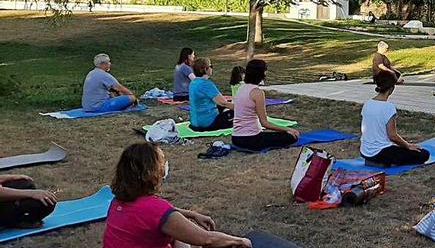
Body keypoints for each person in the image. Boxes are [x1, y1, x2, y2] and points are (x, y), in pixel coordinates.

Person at [103, 142, 251, 248]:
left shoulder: (118, 201)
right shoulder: (156, 208)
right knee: (192, 237)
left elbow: (159, 216)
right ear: (152, 172)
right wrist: (240, 241)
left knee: (180, 234)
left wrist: (191, 214)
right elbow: (207, 240)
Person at [360, 71, 429, 166]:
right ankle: (380, 162)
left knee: (398, 150)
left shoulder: (367, 104)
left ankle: (374, 160)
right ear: (391, 88)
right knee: (424, 154)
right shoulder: (388, 107)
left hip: (364, 152)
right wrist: (407, 145)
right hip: (380, 153)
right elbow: (392, 136)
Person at [232, 59, 300, 152]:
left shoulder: (241, 88)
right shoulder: (257, 92)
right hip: (251, 139)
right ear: (261, 74)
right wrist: (288, 129)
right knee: (292, 136)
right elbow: (265, 123)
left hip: (236, 138)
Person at [188, 58, 234, 132]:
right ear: (205, 70)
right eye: (211, 66)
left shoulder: (193, 83)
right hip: (208, 123)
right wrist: (241, 108)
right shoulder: (207, 84)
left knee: (224, 106)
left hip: (195, 122)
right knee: (237, 112)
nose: (212, 68)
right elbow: (223, 103)